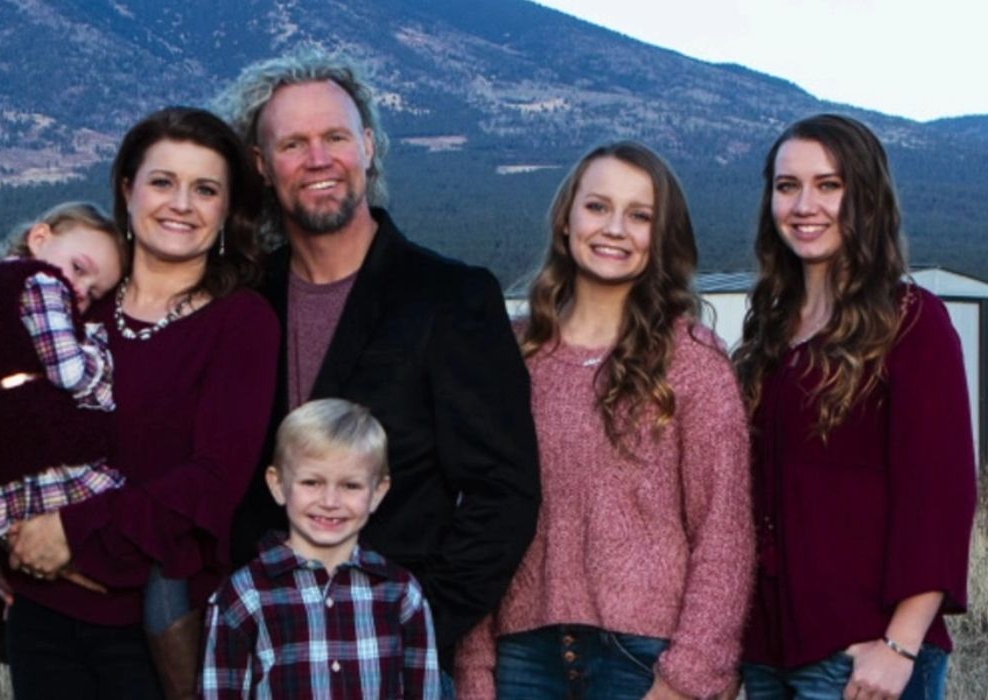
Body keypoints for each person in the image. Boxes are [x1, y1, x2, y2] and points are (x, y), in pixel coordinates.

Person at [214, 47, 543, 681]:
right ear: (261, 165)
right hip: (266, 656)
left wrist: (416, 625)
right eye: (293, 144)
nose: (318, 159)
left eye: (335, 136)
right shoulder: (241, 303)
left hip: (391, 661)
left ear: (367, 145)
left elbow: (505, 492)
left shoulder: (451, 297)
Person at [453, 142, 753, 699]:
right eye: (597, 207)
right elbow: (475, 517)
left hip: (645, 660)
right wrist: (474, 670)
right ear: (566, 220)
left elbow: (723, 533)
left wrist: (686, 680)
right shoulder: (508, 355)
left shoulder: (692, 361)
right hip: (520, 660)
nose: (614, 228)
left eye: (639, 216)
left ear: (659, 238)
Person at [0, 107, 280, 700]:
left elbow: (212, 482)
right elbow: (1, 425)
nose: (181, 203)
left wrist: (71, 532)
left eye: (204, 189)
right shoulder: (77, 300)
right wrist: (4, 549)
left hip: (156, 626)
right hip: (42, 614)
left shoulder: (241, 322)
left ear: (226, 210)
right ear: (127, 190)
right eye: (162, 182)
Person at [735, 114, 977, 700]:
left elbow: (940, 496)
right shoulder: (769, 330)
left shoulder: (911, 321)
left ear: (865, 197)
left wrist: (898, 646)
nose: (804, 204)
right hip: (769, 654)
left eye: (829, 184)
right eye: (787, 185)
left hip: (863, 656)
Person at [0, 202, 127, 668]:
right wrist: (107, 367)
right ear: (40, 238)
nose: (81, 292)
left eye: (94, 291)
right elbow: (71, 372)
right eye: (78, 268)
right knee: (128, 514)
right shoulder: (41, 283)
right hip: (36, 457)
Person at [202, 398, 441, 699]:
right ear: (278, 485)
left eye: (350, 485)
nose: (330, 501)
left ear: (378, 492)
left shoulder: (403, 594)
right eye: (311, 482)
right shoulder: (242, 597)